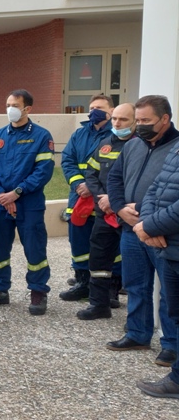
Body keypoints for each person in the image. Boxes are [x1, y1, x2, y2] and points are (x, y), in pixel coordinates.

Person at [105, 95, 179, 365]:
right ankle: (137, 333)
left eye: (146, 121)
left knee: (168, 293)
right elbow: (114, 178)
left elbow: (167, 194)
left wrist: (149, 223)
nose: (141, 126)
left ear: (165, 120)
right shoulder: (133, 145)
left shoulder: (176, 148)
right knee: (136, 285)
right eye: (138, 121)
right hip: (131, 229)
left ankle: (171, 345)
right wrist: (118, 207)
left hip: (161, 233)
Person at [0, 89, 55, 315]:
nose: (10, 109)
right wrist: (3, 195)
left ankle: (38, 291)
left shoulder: (42, 136)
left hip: (29, 202)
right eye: (7, 105)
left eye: (14, 105)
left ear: (27, 109)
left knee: (34, 248)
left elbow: (43, 171)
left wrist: (17, 193)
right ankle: (0, 289)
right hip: (1, 201)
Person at [75, 103, 135, 320]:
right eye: (115, 119)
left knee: (135, 263)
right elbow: (91, 172)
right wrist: (101, 198)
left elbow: (140, 181)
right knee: (99, 259)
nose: (117, 123)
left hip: (128, 214)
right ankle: (99, 305)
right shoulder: (105, 143)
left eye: (124, 120)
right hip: (104, 212)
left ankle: (137, 318)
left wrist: (115, 200)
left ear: (135, 121)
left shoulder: (140, 145)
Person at [132, 137, 179, 397]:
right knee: (176, 313)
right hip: (168, 246)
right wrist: (147, 223)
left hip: (168, 238)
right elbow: (156, 187)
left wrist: (149, 226)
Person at [59, 94, 114, 301]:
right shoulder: (79, 134)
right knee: (79, 244)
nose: (93, 111)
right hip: (79, 199)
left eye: (99, 107)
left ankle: (110, 289)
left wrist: (91, 186)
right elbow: (67, 161)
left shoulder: (116, 136)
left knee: (108, 247)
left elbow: (116, 168)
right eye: (91, 108)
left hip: (102, 198)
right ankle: (83, 282)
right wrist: (77, 183)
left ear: (111, 111)